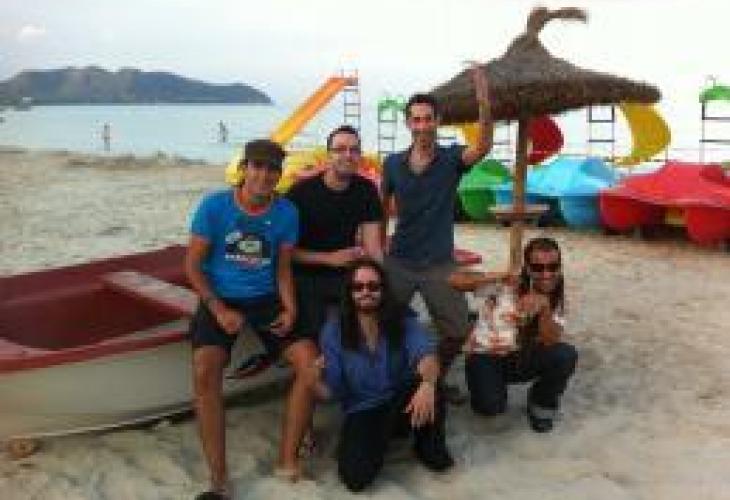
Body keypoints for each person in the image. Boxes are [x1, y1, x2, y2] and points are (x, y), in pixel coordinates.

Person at [185, 139, 319, 499]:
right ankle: (219, 478)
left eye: (272, 169)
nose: (264, 175)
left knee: (310, 363)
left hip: (266, 299)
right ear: (244, 169)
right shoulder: (214, 206)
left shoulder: (287, 213)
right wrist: (218, 309)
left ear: (279, 174)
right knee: (204, 369)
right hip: (220, 297)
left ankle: (287, 459)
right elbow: (192, 265)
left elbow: (283, 270)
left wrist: (290, 309)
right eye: (257, 166)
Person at [381, 65, 494, 401]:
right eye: (416, 119)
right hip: (399, 260)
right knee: (384, 326)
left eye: (427, 119)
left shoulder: (451, 158)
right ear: (408, 124)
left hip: (439, 264)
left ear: (438, 121)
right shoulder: (392, 163)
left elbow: (482, 147)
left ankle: (434, 378)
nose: (422, 125)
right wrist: (376, 252)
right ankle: (395, 381)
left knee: (457, 331)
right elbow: (379, 210)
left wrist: (484, 103)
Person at [313, 258, 453, 492]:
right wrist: (312, 378)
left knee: (437, 455)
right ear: (349, 292)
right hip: (364, 407)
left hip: (402, 398)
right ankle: (384, 435)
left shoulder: (401, 317)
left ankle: (424, 445)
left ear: (383, 290)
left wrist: (428, 384)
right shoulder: (334, 330)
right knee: (355, 480)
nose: (365, 292)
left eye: (373, 286)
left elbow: (426, 354)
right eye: (358, 287)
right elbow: (333, 392)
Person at [463, 237, 578, 433]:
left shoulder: (557, 294)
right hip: (485, 356)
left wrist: (545, 307)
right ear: (527, 268)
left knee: (565, 355)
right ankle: (487, 387)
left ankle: (540, 401)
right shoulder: (505, 284)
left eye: (553, 266)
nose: (546, 274)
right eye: (538, 267)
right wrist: (499, 276)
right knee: (491, 407)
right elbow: (454, 281)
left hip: (521, 356)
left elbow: (550, 340)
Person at [286, 124, 383, 344]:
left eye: (354, 150)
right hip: (304, 274)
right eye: (340, 149)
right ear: (328, 155)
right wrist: (329, 258)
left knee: (379, 318)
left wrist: (381, 280)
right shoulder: (301, 193)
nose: (348, 155)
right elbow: (284, 252)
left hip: (345, 274)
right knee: (321, 332)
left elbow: (374, 248)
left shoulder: (366, 190)